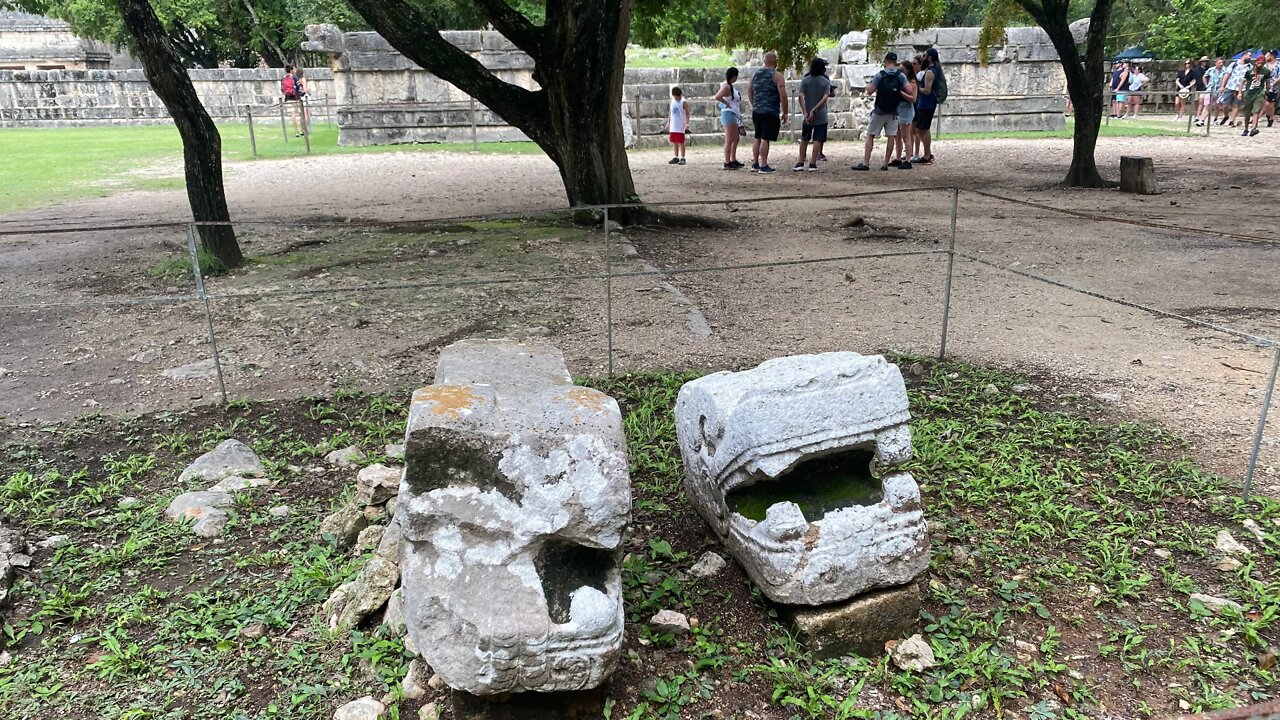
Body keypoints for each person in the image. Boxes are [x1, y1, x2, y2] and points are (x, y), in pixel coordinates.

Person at [854, 52, 908, 172]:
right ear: (895, 62)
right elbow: (908, 89)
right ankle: (885, 164)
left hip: (879, 110)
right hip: (894, 111)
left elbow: (869, 91)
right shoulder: (900, 76)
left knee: (871, 135)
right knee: (891, 136)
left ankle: (866, 162)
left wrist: (869, 84)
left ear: (885, 61)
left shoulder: (880, 75)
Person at [748, 51, 787, 174]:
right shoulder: (777, 76)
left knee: (757, 137)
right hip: (770, 111)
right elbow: (783, 95)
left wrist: (754, 104)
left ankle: (755, 163)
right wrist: (785, 111)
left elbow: (750, 90)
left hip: (757, 110)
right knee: (765, 138)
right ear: (775, 62)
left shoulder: (755, 74)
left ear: (764, 61)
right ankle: (763, 164)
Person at [794, 57, 831, 172]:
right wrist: (814, 110)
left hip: (807, 115)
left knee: (804, 138)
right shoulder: (825, 81)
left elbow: (801, 96)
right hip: (820, 114)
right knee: (818, 139)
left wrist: (805, 112)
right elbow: (825, 97)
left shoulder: (805, 80)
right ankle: (813, 163)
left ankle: (800, 162)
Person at [912, 49, 940, 165]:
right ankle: (927, 153)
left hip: (926, 104)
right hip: (925, 103)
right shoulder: (932, 70)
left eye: (924, 55)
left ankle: (927, 154)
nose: (922, 57)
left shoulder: (929, 72)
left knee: (924, 129)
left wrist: (917, 88)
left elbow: (927, 90)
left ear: (929, 58)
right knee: (923, 129)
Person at [713, 68, 744, 170]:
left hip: (734, 114)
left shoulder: (730, 86)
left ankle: (733, 159)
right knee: (729, 139)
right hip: (729, 114)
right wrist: (727, 104)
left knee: (735, 138)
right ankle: (727, 161)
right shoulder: (726, 86)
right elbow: (717, 96)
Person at [891, 59, 918, 170]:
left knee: (906, 136)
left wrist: (901, 93)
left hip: (906, 110)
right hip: (898, 109)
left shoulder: (912, 82)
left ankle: (908, 159)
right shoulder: (900, 81)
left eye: (902, 70)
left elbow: (913, 99)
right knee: (897, 136)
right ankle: (898, 158)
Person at [1240, 55, 1271, 136]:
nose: (1260, 64)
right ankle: (1246, 129)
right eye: (1258, 62)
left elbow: (1267, 82)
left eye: (1262, 63)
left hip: (1259, 93)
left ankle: (1254, 128)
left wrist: (1267, 91)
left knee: (1256, 110)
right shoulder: (1249, 71)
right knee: (1247, 112)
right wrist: (1240, 92)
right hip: (1249, 93)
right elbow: (1242, 82)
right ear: (1255, 62)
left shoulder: (1266, 71)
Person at [1222, 53, 1250, 127]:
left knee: (1236, 105)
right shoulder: (1234, 64)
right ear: (1244, 55)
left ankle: (1232, 121)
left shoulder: (1249, 67)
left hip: (1241, 89)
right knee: (1225, 104)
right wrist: (1222, 86)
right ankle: (1226, 116)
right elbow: (1227, 75)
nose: (1250, 57)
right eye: (1249, 56)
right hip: (1230, 86)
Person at [664, 86, 688, 165]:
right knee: (674, 141)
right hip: (673, 124)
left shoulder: (683, 102)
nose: (677, 98)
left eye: (678, 96)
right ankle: (676, 156)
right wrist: (668, 123)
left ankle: (683, 157)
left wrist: (687, 123)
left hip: (680, 124)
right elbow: (670, 113)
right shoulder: (673, 101)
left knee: (681, 141)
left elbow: (687, 113)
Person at [282, 64, 307, 137]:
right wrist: (302, 94)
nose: (295, 70)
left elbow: (282, 89)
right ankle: (302, 130)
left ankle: (296, 132)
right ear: (291, 70)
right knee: (300, 115)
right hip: (296, 98)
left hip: (288, 98)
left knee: (293, 115)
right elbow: (299, 88)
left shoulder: (283, 78)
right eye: (294, 69)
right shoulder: (295, 77)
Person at [1203, 57, 1226, 125]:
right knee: (1206, 105)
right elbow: (1204, 76)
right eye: (1219, 63)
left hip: (1218, 90)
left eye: (1222, 63)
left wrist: (1223, 87)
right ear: (1216, 63)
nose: (1221, 64)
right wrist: (1206, 85)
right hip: (1210, 89)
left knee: (1216, 106)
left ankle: (1215, 119)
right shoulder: (1211, 70)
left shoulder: (1225, 70)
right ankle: (1202, 120)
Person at [1264, 50, 1278, 128]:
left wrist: (1274, 83)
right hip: (1265, 86)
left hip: (1273, 86)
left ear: (1272, 56)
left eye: (1268, 55)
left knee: (1271, 104)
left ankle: (1271, 118)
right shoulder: (1265, 65)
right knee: (1265, 103)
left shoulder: (1278, 65)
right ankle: (1267, 115)